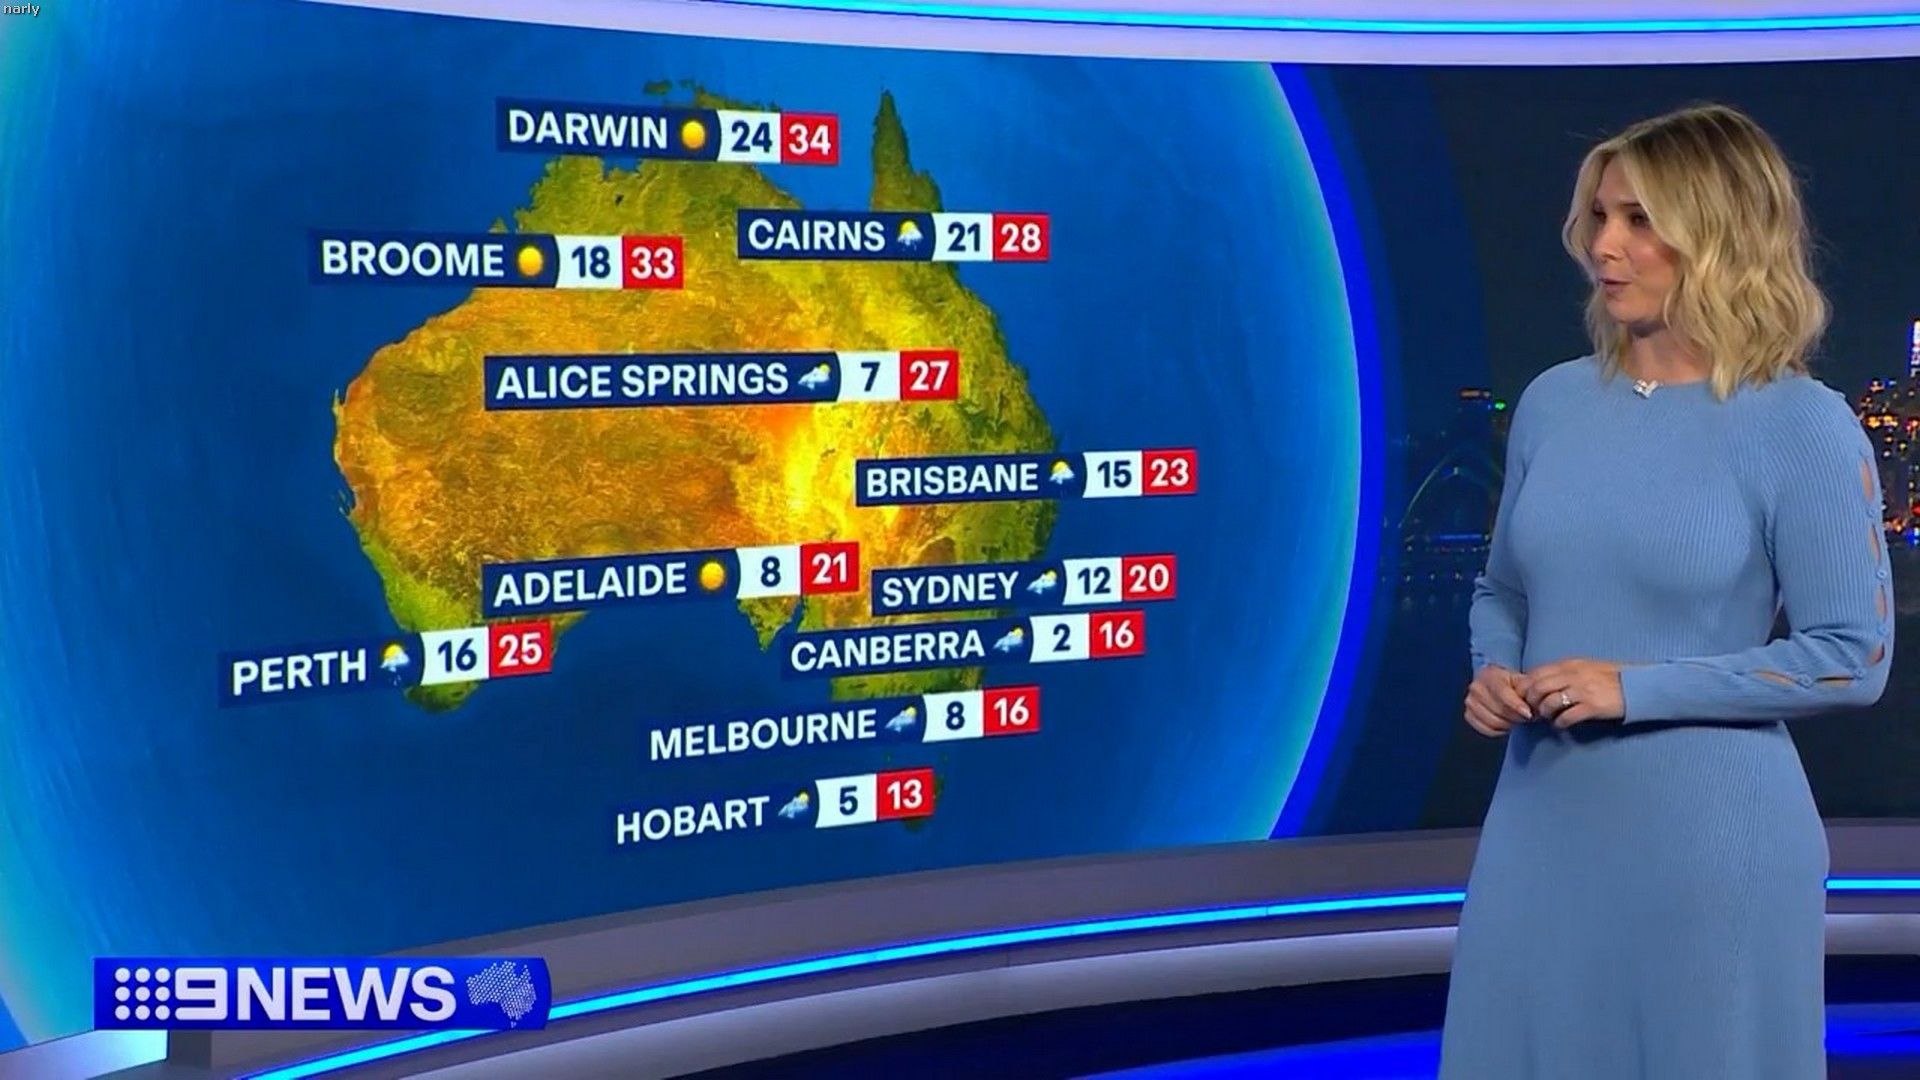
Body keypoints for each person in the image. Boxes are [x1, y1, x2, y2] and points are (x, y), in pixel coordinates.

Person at [1439, 102, 1892, 1079]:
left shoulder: (1800, 423)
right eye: (1601, 216)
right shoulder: (1555, 402)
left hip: (1711, 846)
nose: (1605, 246)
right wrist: (1495, 669)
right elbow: (1502, 589)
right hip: (1538, 824)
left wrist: (1633, 687)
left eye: (1640, 220)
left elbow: (1852, 657)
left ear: (1719, 237)